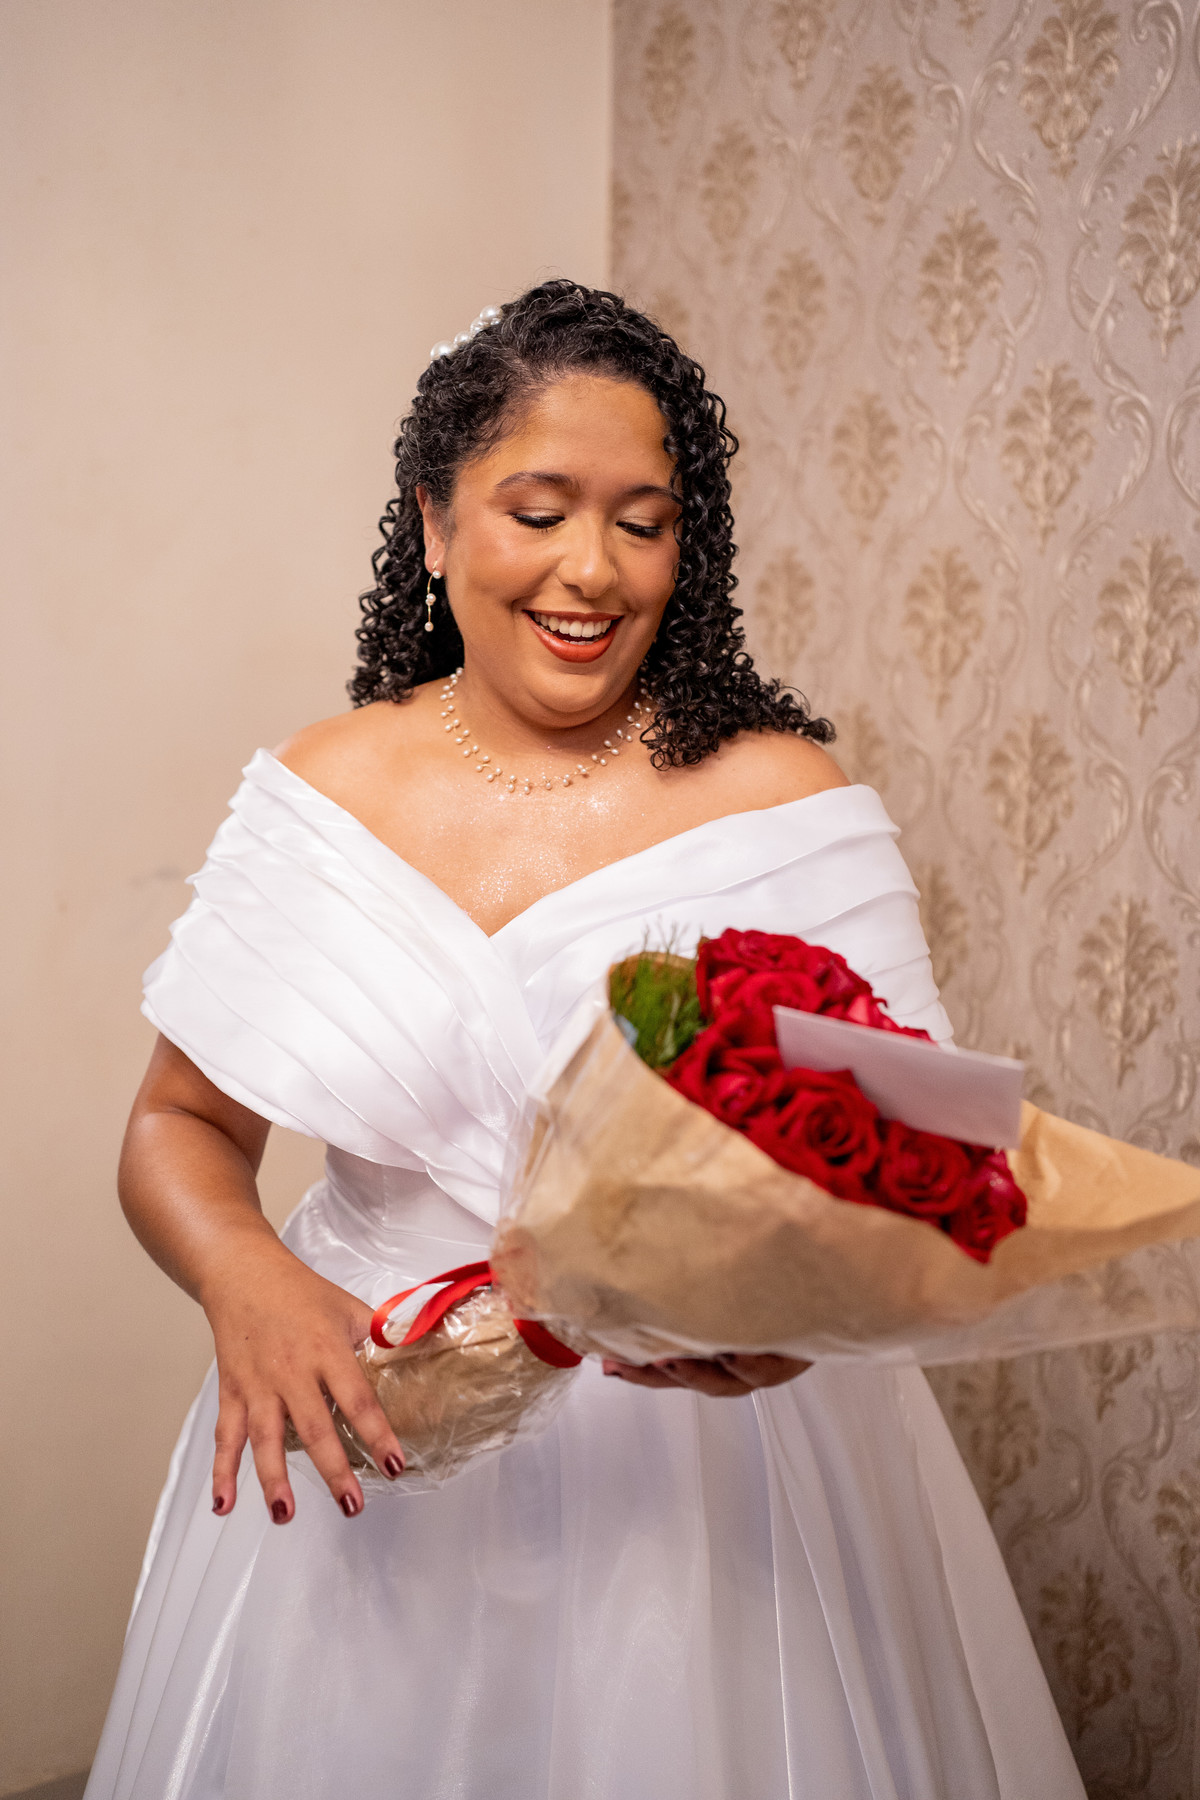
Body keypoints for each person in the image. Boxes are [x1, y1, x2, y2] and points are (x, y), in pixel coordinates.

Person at [86, 281, 1085, 1799]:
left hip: (702, 1476)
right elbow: (178, 1129)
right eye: (538, 511)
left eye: (644, 522)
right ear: (436, 524)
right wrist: (248, 1280)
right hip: (370, 1410)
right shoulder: (325, 788)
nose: (593, 570)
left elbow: (919, 1157)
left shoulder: (785, 799)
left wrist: (799, 1314)